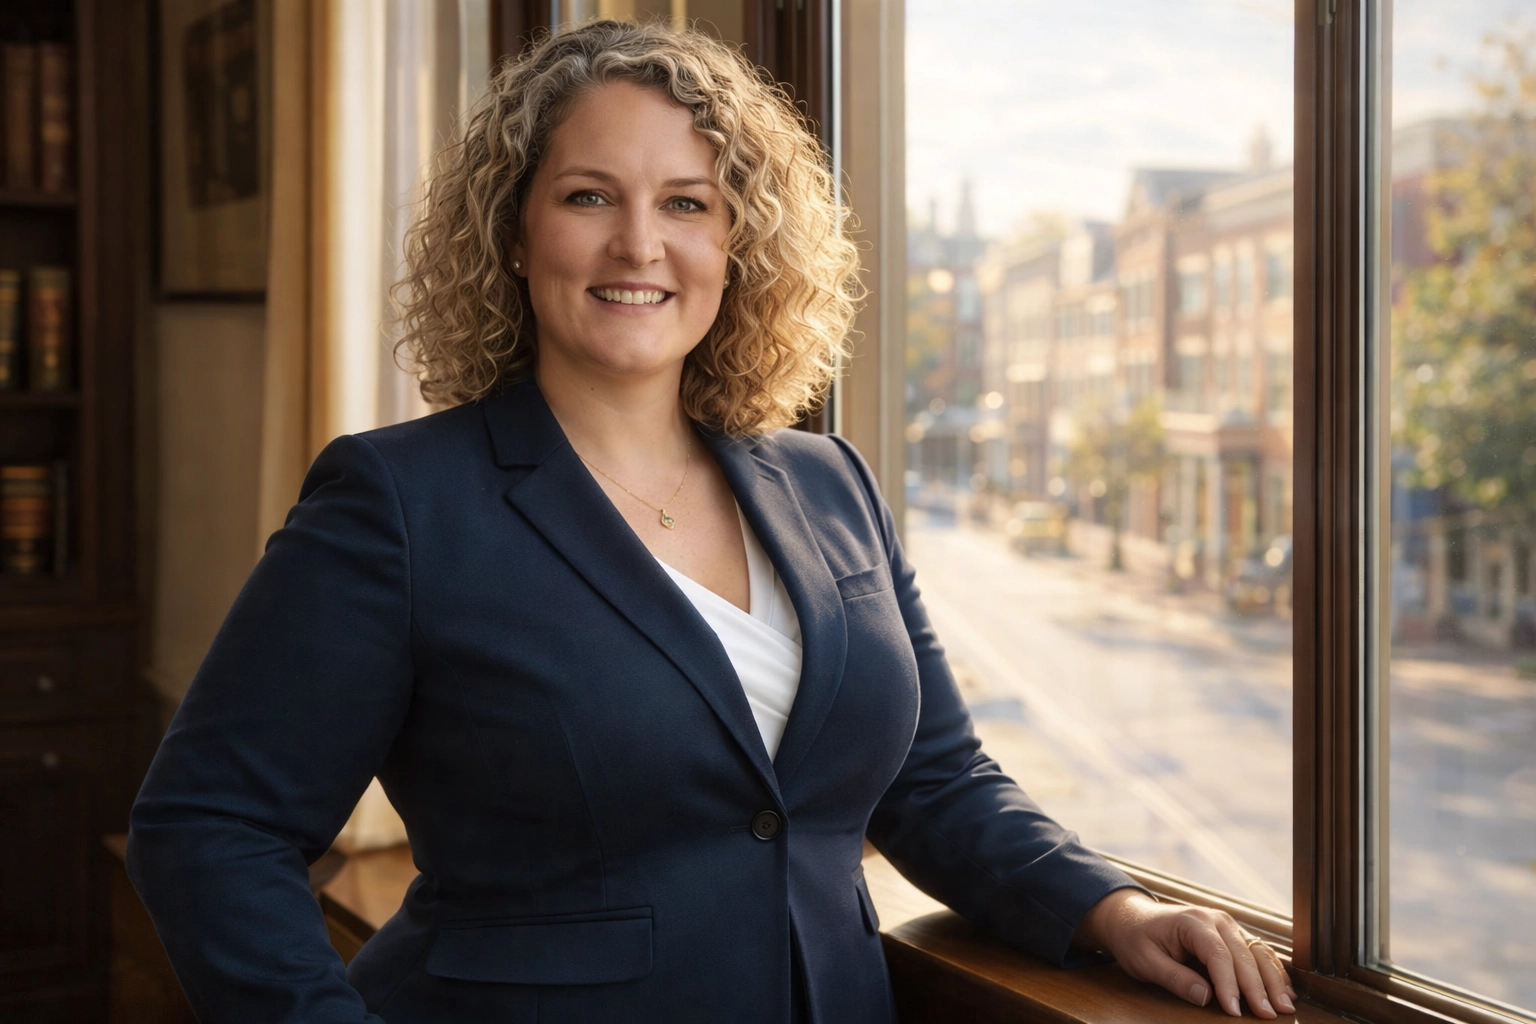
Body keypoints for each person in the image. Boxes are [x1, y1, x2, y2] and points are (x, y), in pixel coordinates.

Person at [128, 19, 1294, 1024]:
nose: (642, 244)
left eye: (687, 203)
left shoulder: (828, 479)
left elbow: (934, 778)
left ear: (737, 246)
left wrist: (1112, 905)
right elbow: (207, 828)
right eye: (590, 196)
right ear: (515, 230)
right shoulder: (397, 502)